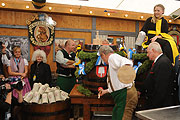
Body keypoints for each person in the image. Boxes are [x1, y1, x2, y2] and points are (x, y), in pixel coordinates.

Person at [98, 45, 138, 120]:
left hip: (125, 94)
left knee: (122, 117)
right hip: (123, 94)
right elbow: (117, 84)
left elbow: (128, 62)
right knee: (117, 116)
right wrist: (106, 91)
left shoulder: (112, 57)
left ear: (103, 55)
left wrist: (126, 73)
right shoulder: (112, 60)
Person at [143, 42, 178, 109]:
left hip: (161, 106)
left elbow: (161, 88)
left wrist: (154, 106)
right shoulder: (160, 61)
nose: (147, 55)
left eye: (148, 52)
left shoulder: (163, 63)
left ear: (153, 50)